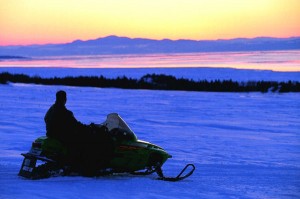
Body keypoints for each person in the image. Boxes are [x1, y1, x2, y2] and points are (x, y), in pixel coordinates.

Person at [44, 90, 113, 176]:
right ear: (65, 99)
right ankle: (87, 167)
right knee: (87, 142)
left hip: (54, 134)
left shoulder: (52, 109)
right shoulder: (64, 112)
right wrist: (88, 128)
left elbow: (49, 119)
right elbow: (75, 125)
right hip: (62, 136)